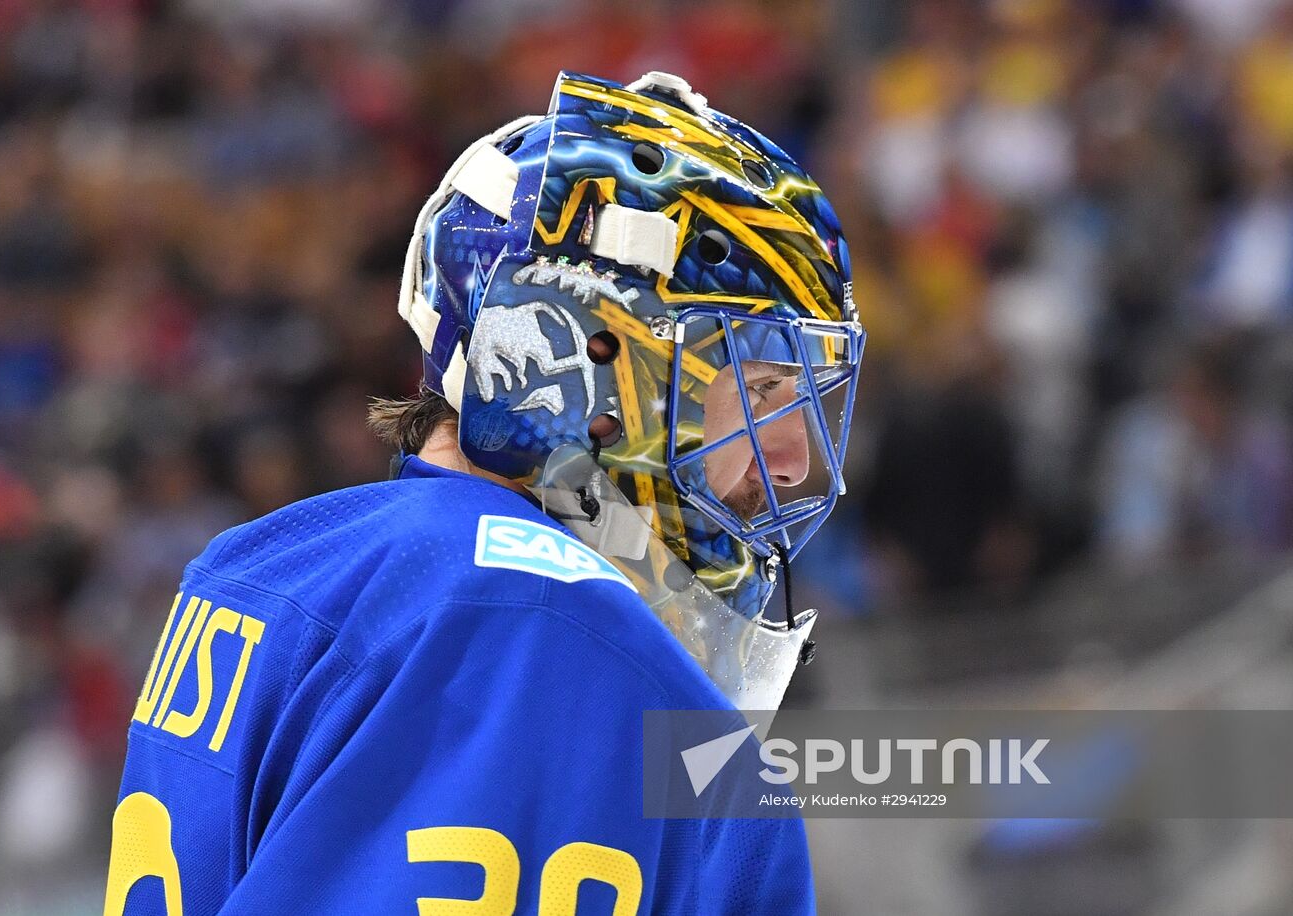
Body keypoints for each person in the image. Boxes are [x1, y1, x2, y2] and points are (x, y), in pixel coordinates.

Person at [104, 70, 864, 915]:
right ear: (593, 359)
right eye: (758, 388)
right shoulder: (546, 624)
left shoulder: (258, 564)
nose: (793, 456)